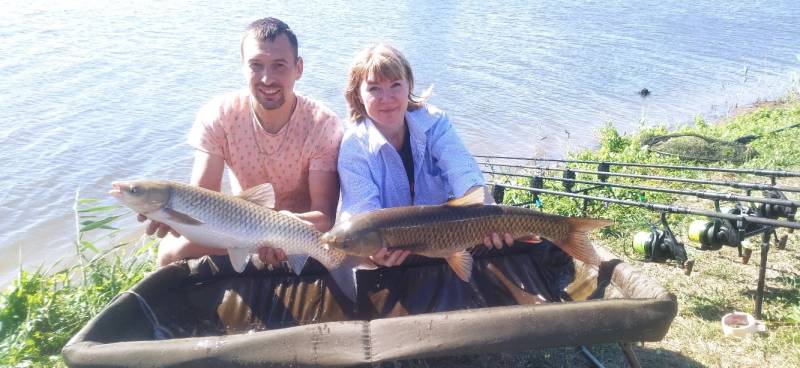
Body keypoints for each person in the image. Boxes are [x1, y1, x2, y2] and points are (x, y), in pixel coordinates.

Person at [147, 17, 343, 268]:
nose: (266, 78)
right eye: (256, 65)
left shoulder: (322, 124)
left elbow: (324, 216)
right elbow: (202, 199)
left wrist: (278, 229)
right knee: (170, 252)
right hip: (238, 227)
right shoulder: (219, 115)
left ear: (299, 69)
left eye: (279, 66)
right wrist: (169, 215)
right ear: (243, 66)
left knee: (335, 258)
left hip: (301, 231)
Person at [338, 44, 533, 267]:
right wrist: (374, 253)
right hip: (389, 261)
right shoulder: (354, 146)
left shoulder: (434, 122)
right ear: (358, 95)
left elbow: (461, 169)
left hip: (448, 243)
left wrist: (488, 213)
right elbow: (362, 213)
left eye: (395, 85)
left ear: (409, 85)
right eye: (374, 89)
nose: (387, 98)